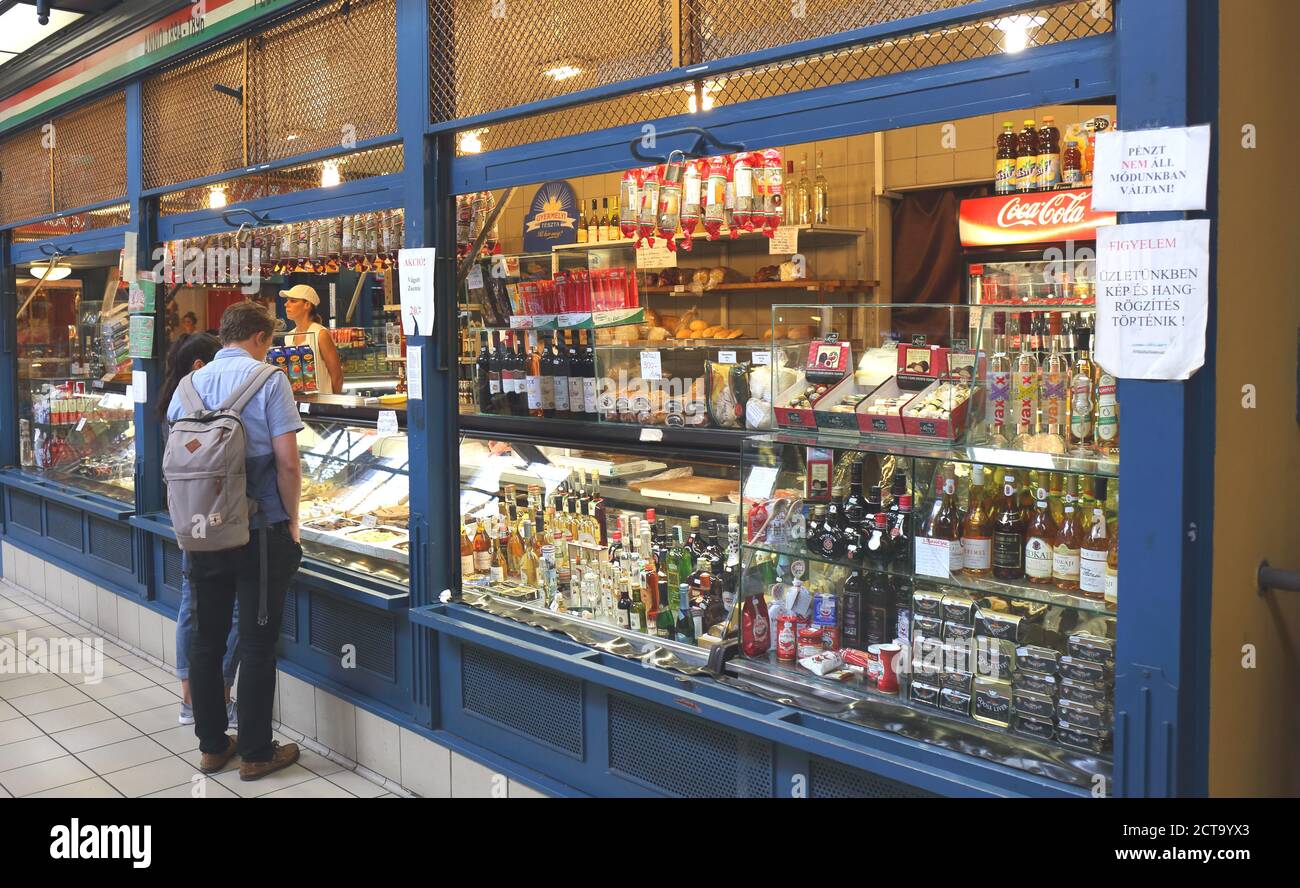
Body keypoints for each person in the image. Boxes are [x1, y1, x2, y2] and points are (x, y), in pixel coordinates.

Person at [166, 301, 304, 780]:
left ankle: (211, 746)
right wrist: (293, 519)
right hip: (259, 529)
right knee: (257, 642)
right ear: (261, 338)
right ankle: (257, 753)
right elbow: (288, 462)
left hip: (201, 531)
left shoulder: (188, 385)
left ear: (223, 334)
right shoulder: (270, 380)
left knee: (206, 641)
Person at [158, 332, 240, 729]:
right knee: (217, 609)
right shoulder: (192, 403)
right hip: (215, 517)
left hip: (191, 517)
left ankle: (193, 699)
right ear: (198, 367)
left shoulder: (175, 402)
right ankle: (211, 699)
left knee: (192, 606)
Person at [280, 283, 343, 394]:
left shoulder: (321, 334)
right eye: (287, 300)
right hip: (299, 402)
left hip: (322, 404)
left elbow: (337, 376)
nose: (286, 304)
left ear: (307, 305)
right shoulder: (289, 336)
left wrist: (334, 405)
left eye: (293, 301)